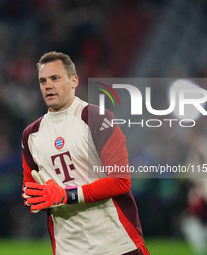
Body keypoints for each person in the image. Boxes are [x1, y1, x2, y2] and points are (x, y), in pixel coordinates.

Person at [21, 51, 149, 255]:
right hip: (69, 248)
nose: (48, 85)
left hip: (116, 244)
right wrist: (35, 197)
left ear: (74, 81)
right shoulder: (31, 135)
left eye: (55, 78)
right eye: (42, 81)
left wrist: (64, 195)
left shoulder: (97, 119)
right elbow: (32, 191)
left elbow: (120, 181)